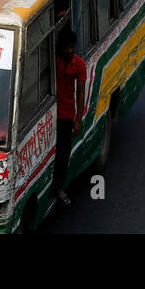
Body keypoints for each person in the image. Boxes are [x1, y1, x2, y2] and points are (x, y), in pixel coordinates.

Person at [52, 27, 87, 206]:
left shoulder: (79, 64)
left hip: (66, 115)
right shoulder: (53, 59)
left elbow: (81, 92)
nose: (70, 51)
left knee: (63, 154)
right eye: (67, 48)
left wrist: (78, 119)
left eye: (72, 47)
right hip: (50, 114)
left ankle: (57, 187)